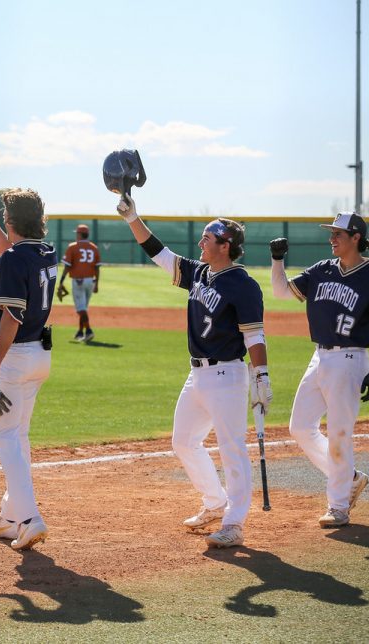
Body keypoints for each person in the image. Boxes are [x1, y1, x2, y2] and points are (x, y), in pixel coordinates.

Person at [116, 194, 271, 548]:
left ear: (225, 245)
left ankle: (234, 523)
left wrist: (261, 376)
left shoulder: (243, 285)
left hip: (227, 376)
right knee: (183, 441)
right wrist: (132, 218)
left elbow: (254, 335)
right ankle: (215, 503)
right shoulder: (201, 272)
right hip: (197, 375)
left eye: (207, 238)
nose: (200, 242)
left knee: (232, 449)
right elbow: (160, 254)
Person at [270, 212, 369, 528]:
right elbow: (281, 292)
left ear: (356, 238)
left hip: (350, 360)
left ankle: (338, 506)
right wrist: (277, 260)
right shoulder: (321, 270)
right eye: (332, 233)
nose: (332, 238)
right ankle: (348, 478)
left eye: (338, 234)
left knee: (339, 434)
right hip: (319, 356)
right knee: (299, 427)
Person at [0, 188, 56, 551]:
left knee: (4, 439)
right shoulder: (44, 252)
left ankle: (30, 519)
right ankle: (10, 518)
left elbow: (11, 315)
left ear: (11, 221)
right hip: (38, 357)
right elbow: (11, 253)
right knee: (17, 436)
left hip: (14, 358)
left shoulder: (14, 259)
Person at [57, 223, 102, 342]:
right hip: (90, 281)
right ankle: (80, 332)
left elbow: (67, 267)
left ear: (80, 234)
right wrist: (97, 283)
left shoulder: (73, 247)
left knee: (81, 308)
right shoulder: (94, 247)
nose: (76, 235)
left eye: (77, 233)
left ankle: (89, 331)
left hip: (79, 281)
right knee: (84, 308)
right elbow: (97, 268)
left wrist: (61, 282)